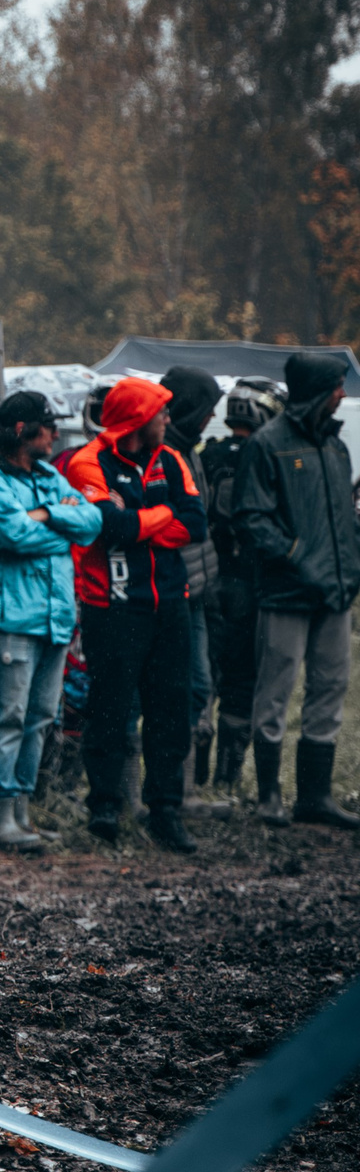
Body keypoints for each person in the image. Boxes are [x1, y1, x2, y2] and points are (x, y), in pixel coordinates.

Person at [63, 376, 208, 851]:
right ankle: (105, 806)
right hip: (112, 607)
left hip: (170, 604)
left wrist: (142, 520)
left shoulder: (172, 459)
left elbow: (196, 523)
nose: (168, 419)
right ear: (138, 420)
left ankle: (165, 810)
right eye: (160, 413)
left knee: (171, 708)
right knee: (109, 707)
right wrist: (160, 515)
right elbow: (108, 528)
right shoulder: (89, 462)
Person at [0, 390, 102, 851]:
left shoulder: (47, 476)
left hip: (53, 619)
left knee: (40, 717)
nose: (56, 434)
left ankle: (22, 814)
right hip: (8, 618)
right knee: (6, 717)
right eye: (48, 426)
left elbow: (94, 521)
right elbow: (13, 535)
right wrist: (62, 530)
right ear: (22, 431)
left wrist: (47, 515)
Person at [230, 351, 360, 829]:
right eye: (336, 387)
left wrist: (352, 562)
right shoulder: (266, 445)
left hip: (336, 594)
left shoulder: (336, 447)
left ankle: (316, 797)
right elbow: (251, 518)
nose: (342, 395)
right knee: (275, 692)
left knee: (330, 689)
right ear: (317, 392)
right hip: (287, 593)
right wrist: (299, 557)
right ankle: (268, 796)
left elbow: (344, 514)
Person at [201, 380, 281, 792]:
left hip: (208, 580)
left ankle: (194, 778)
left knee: (205, 679)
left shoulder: (207, 455)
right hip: (250, 583)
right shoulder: (267, 457)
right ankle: (226, 782)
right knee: (241, 682)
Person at [159, 366, 225, 793]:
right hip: (173, 591)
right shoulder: (164, 455)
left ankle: (181, 789)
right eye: (204, 409)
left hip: (198, 591)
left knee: (199, 687)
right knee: (181, 688)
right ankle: (170, 788)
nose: (208, 418)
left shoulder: (190, 451)